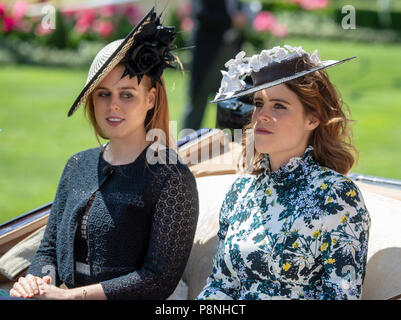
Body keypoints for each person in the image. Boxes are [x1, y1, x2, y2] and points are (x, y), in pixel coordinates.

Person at [9, 8, 199, 300]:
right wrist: (34, 281)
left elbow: (158, 280)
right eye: (103, 93)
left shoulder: (170, 177)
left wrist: (71, 297)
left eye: (127, 94)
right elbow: (48, 248)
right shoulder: (77, 164)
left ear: (150, 99)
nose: (113, 106)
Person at [196, 45, 371, 300]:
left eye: (279, 106)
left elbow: (341, 296)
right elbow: (220, 287)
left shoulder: (336, 196)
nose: (262, 116)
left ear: (312, 119)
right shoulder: (240, 193)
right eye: (258, 103)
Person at [181, 0, 246, 130]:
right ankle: (186, 141)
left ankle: (227, 141)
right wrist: (231, 20)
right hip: (208, 51)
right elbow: (203, 13)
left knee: (230, 99)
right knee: (198, 97)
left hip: (230, 49)